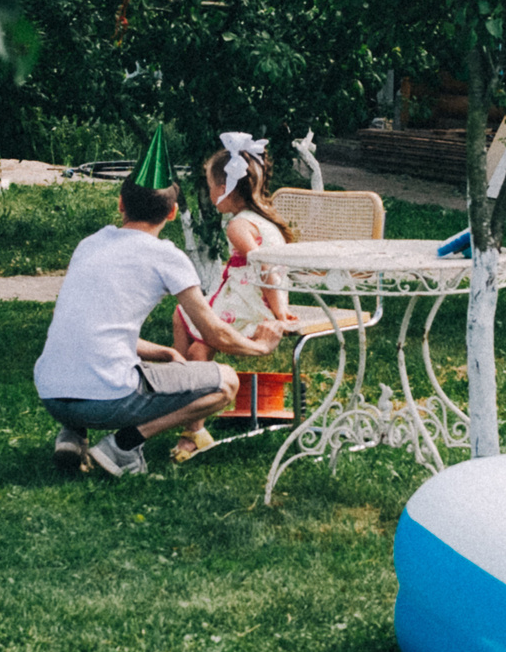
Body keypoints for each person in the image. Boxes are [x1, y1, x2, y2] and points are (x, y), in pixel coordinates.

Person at [36, 130, 283, 477]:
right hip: (108, 399)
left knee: (96, 363)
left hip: (50, 392)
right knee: (226, 382)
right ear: (172, 213)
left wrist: (162, 352)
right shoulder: (167, 256)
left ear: (121, 204)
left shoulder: (89, 244)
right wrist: (259, 347)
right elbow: (213, 332)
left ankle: (71, 433)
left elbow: (93, 327)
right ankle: (122, 445)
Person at [166, 134, 308, 459]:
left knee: (188, 329)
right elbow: (273, 273)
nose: (211, 192)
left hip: (249, 307)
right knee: (196, 341)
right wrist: (280, 307)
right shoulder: (264, 221)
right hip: (255, 301)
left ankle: (181, 397)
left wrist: (279, 313)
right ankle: (190, 418)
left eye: (212, 186)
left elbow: (267, 271)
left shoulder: (238, 227)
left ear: (227, 188)